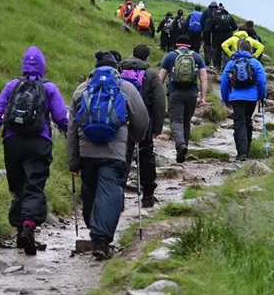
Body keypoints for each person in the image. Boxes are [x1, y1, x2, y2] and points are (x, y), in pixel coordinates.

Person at [0, 46, 69, 255]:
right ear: (43, 66)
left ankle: (21, 230)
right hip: (39, 142)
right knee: (34, 186)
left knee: (18, 187)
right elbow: (61, 117)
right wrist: (72, 136)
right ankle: (28, 226)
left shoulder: (12, 86)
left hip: (13, 142)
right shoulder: (49, 88)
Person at [67, 51, 149, 260]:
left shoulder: (82, 89)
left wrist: (73, 159)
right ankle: (101, 240)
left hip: (87, 152)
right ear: (117, 69)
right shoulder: (126, 88)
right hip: (115, 152)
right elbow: (141, 119)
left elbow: (72, 127)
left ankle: (94, 228)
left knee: (90, 191)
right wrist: (136, 137)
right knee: (110, 192)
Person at [120, 44, 166, 207]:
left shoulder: (119, 70)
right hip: (143, 121)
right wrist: (157, 127)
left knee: (123, 157)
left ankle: (118, 195)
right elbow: (159, 102)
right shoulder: (151, 74)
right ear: (147, 57)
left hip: (121, 122)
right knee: (145, 156)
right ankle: (147, 195)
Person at [158, 35, 208, 163]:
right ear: (189, 45)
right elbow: (204, 78)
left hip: (175, 93)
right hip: (191, 94)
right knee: (186, 122)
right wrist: (203, 97)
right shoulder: (197, 57)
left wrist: (158, 97)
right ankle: (183, 151)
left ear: (177, 44)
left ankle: (180, 145)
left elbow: (161, 78)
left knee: (176, 121)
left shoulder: (170, 56)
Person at [220, 40, 267, 161]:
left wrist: (225, 98)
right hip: (252, 98)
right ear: (251, 50)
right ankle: (247, 149)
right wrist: (262, 96)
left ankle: (241, 152)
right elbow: (262, 81)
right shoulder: (256, 63)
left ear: (238, 49)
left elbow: (224, 82)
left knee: (239, 122)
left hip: (236, 97)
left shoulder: (231, 63)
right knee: (247, 120)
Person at [209, 6, 237, 71]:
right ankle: (226, 67)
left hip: (218, 37)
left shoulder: (216, 16)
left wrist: (216, 31)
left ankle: (218, 67)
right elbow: (235, 27)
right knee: (226, 52)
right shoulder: (229, 16)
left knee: (218, 51)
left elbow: (211, 28)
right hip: (228, 37)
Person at [200, 1, 218, 67]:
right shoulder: (217, 12)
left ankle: (207, 61)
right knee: (214, 46)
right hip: (215, 32)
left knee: (207, 45)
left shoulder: (206, 11)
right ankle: (214, 62)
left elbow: (201, 20)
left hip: (206, 31)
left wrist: (203, 28)